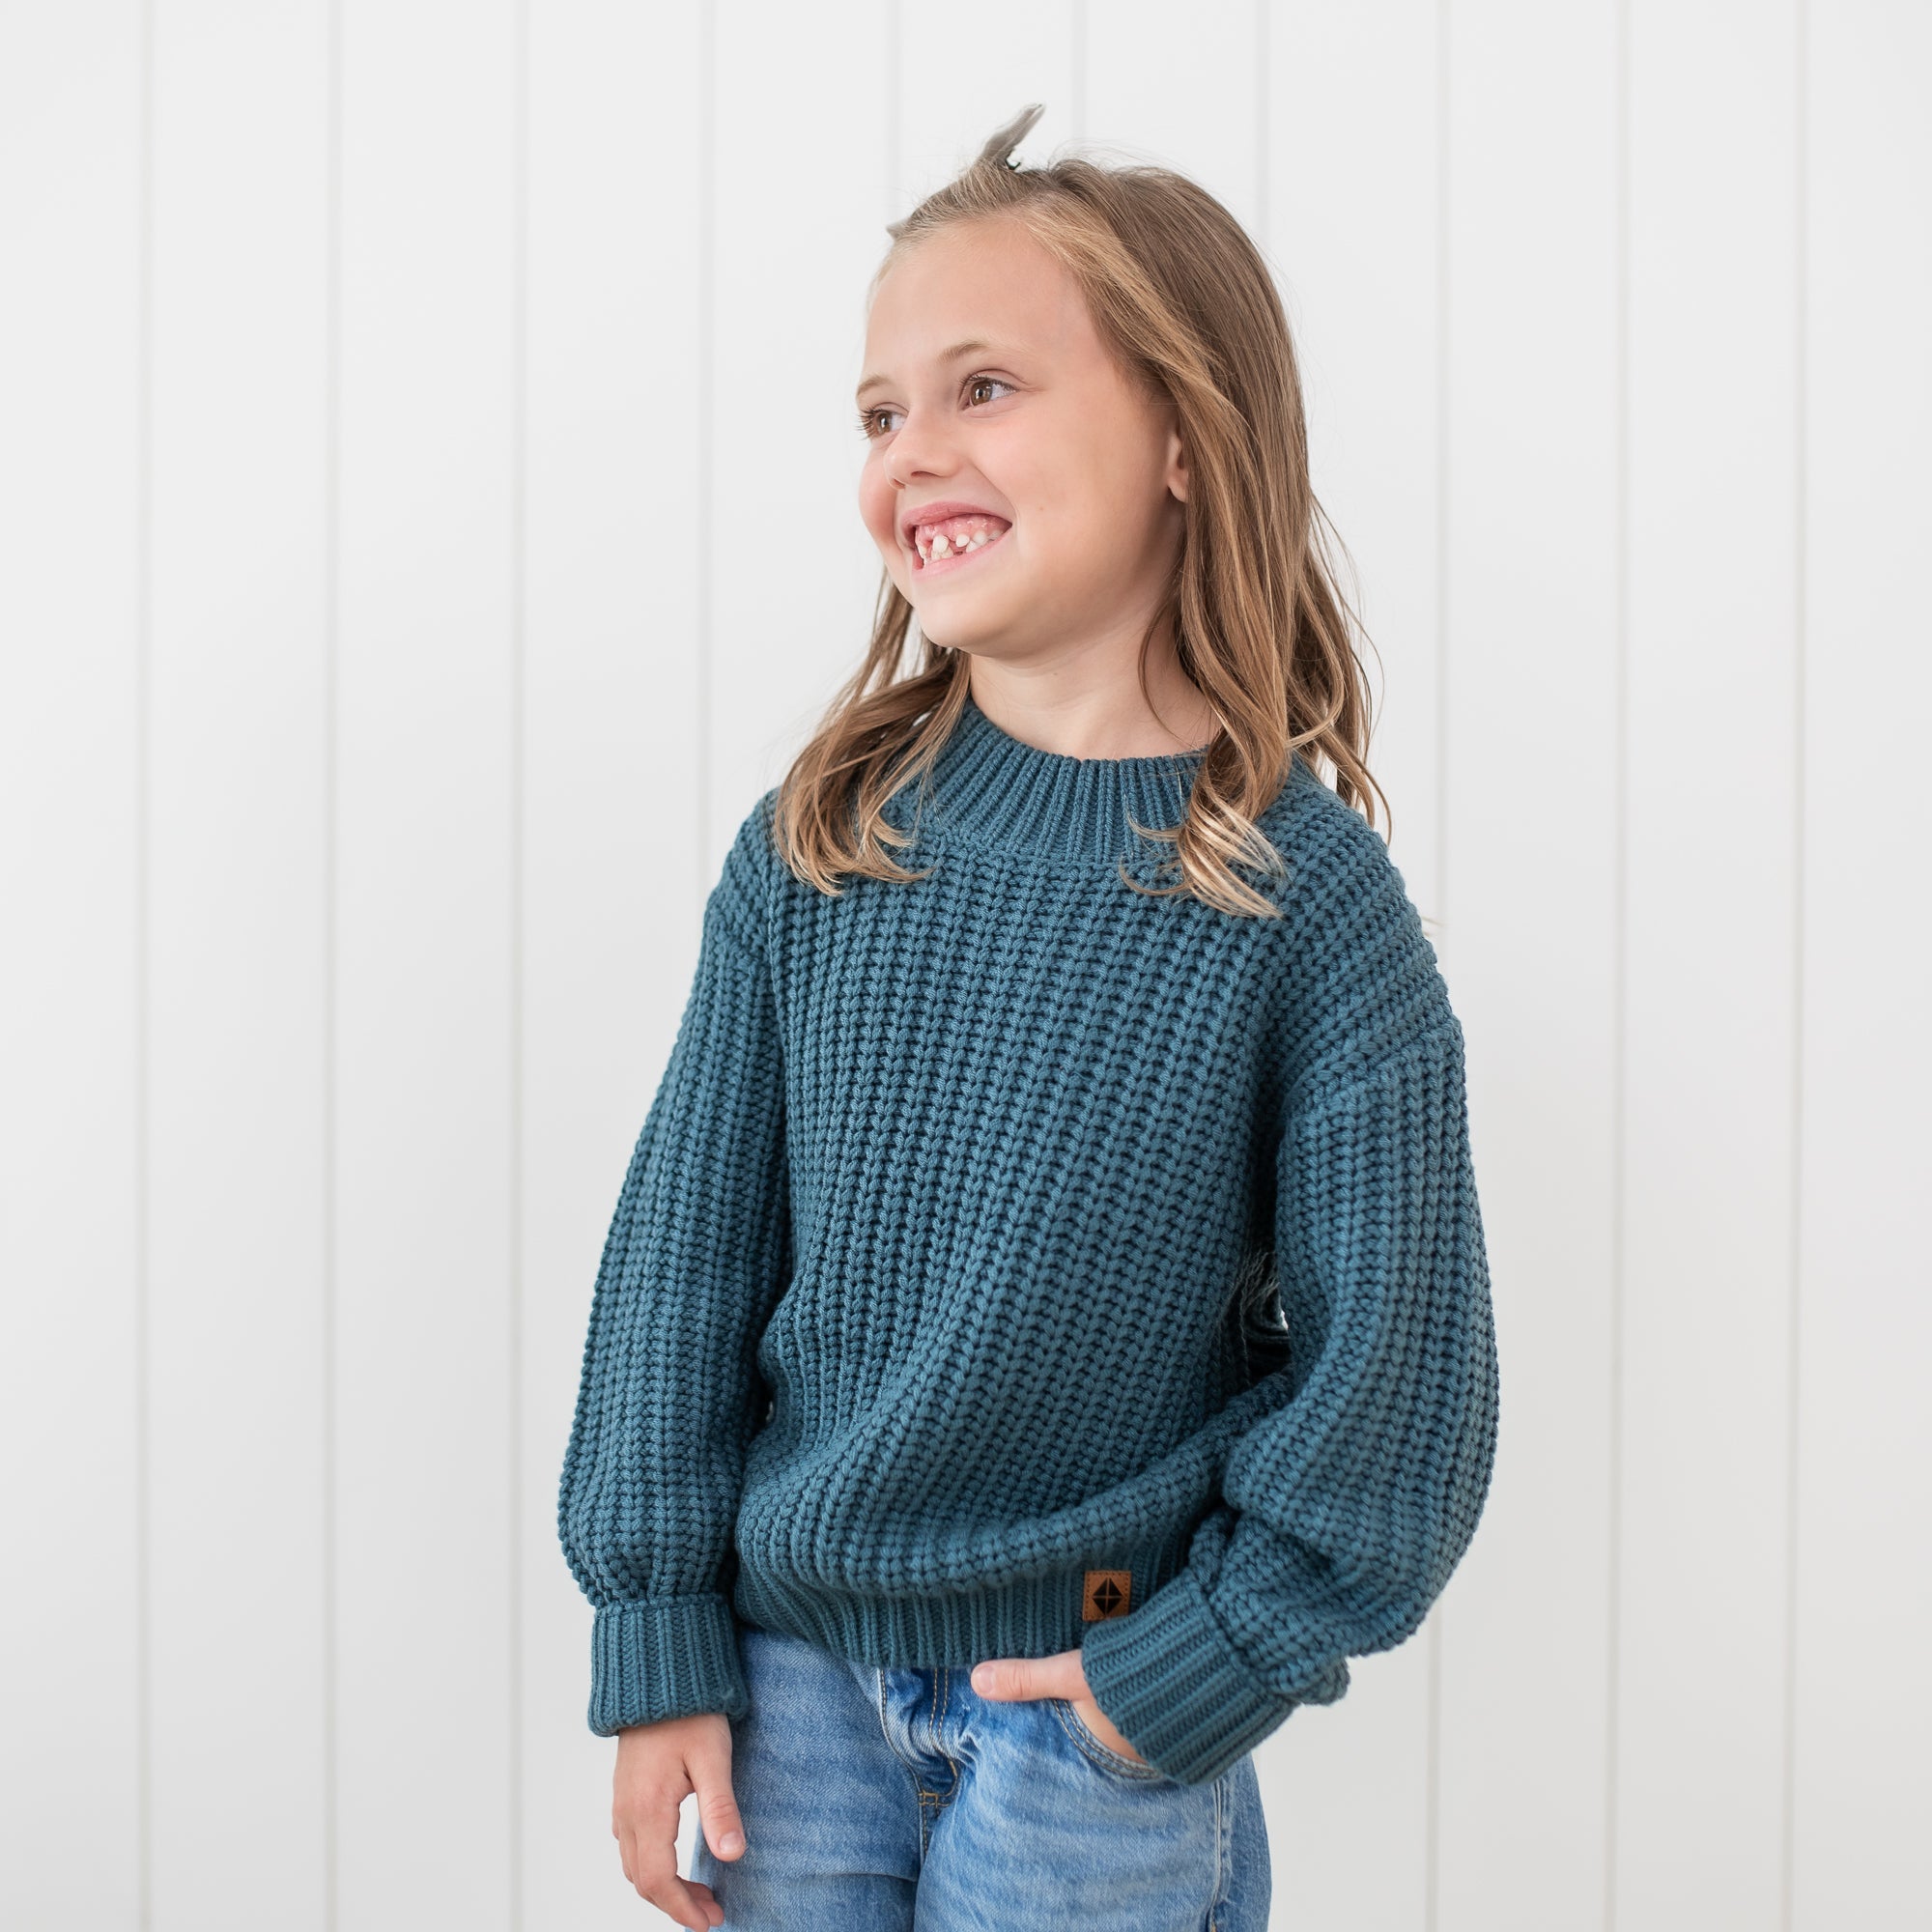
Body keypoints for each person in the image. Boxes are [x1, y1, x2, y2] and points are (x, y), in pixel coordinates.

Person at [556, 101, 1500, 1932]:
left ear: (1180, 433)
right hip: (788, 1686)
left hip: (1100, 1719)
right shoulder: (819, 847)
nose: (913, 450)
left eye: (983, 385)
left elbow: (1404, 1371)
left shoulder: (1298, 906)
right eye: (881, 410)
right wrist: (659, 1626)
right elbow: (679, 1266)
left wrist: (1218, 1655)